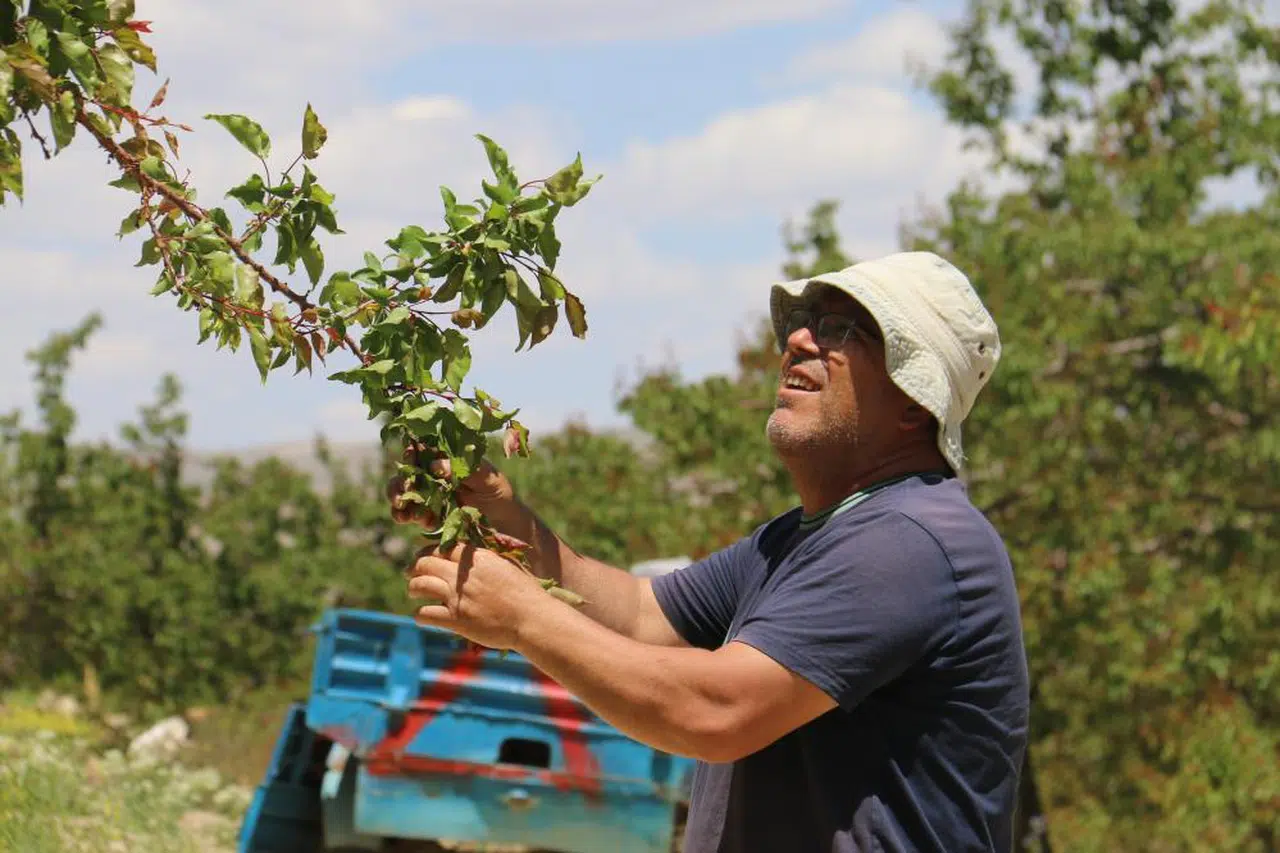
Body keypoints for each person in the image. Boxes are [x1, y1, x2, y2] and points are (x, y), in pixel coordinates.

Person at [388, 251, 1030, 853]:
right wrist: (507, 518)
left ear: (915, 404)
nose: (798, 342)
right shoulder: (803, 538)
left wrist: (525, 619)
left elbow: (715, 712)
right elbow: (641, 613)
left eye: (841, 329)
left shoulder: (910, 540)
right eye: (804, 323)